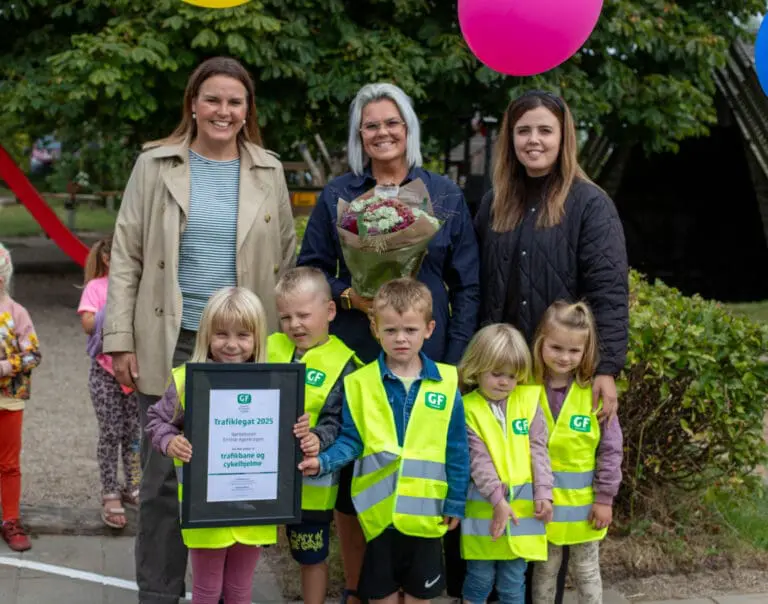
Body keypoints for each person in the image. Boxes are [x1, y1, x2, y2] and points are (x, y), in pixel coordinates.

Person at [103, 56, 297, 604]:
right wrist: (119, 338)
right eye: (212, 99)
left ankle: (223, 592)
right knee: (164, 481)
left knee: (236, 472)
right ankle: (159, 594)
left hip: (243, 348)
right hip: (174, 341)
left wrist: (282, 344)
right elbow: (126, 255)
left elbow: (285, 259)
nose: (223, 111)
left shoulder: (269, 171)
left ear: (247, 110)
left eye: (235, 101)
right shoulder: (155, 165)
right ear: (193, 103)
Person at [298, 82, 480, 603]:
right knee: (356, 475)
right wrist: (350, 297)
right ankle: (360, 587)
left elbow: (468, 284)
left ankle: (417, 582)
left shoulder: (443, 195)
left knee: (425, 466)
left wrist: (454, 359)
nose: (382, 133)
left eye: (391, 122)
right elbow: (311, 270)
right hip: (358, 351)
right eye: (371, 125)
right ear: (360, 135)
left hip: (429, 355)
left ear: (408, 129)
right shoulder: (339, 195)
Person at [473, 90, 629, 603]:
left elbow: (608, 291)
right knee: (507, 489)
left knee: (552, 513)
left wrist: (605, 367)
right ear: (509, 139)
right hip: (506, 377)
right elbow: (479, 287)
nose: (533, 140)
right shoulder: (495, 202)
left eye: (545, 130)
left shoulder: (589, 204)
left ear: (564, 137)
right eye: (523, 131)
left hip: (558, 379)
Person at [298, 278, 470, 604]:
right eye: (391, 330)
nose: (400, 338)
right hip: (378, 519)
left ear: (429, 329)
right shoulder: (360, 383)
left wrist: (456, 502)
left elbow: (457, 451)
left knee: (419, 598)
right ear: (375, 329)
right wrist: (322, 462)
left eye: (410, 330)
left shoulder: (447, 383)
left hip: (426, 517)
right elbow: (351, 440)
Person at [144, 287, 277, 604]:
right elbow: (156, 420)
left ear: (258, 337)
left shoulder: (274, 383)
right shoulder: (186, 380)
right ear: (206, 335)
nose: (231, 344)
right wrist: (170, 441)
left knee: (240, 589)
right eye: (221, 334)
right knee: (206, 589)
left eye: (243, 335)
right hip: (204, 505)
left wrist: (297, 429)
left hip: (253, 505)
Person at [267, 267, 359, 604]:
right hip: (261, 477)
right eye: (285, 317)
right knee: (244, 547)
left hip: (311, 487)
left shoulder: (345, 364)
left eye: (303, 315)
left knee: (311, 555)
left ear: (330, 311)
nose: (294, 325)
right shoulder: (269, 347)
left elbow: (339, 419)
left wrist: (318, 438)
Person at [530, 302, 623, 604]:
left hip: (586, 510)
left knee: (586, 571)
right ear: (541, 342)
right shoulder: (526, 389)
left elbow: (611, 450)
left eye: (574, 351)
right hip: (542, 507)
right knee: (545, 570)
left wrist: (605, 499)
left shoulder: (594, 395)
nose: (564, 357)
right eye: (556, 347)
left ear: (586, 351)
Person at [457, 324, 552, 604]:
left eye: (512, 376)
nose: (504, 382)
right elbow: (478, 461)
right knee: (479, 579)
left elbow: (539, 451)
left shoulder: (529, 402)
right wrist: (498, 500)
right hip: (485, 514)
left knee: (513, 582)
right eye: (496, 374)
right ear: (477, 368)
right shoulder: (467, 408)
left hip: (522, 515)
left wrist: (544, 492)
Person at [77, 235, 141, 529]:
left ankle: (134, 485)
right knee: (110, 433)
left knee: (134, 434)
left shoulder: (136, 287)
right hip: (105, 374)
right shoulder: (96, 287)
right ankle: (110, 491)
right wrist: (111, 307)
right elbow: (87, 324)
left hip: (132, 373)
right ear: (107, 259)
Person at [0, 243, 42, 552]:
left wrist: (5, 366)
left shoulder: (17, 313)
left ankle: (11, 519)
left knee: (9, 464)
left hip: (9, 399)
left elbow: (33, 354)